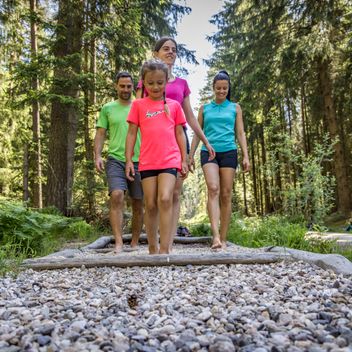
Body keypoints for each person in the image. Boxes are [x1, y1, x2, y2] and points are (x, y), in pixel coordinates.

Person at [136, 37, 216, 248]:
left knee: (173, 195)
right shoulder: (146, 81)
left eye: (174, 49)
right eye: (166, 49)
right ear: (156, 53)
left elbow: (189, 117)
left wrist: (205, 142)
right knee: (154, 200)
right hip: (151, 148)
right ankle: (155, 243)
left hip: (177, 144)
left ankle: (168, 244)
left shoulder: (182, 84)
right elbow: (136, 115)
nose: (171, 52)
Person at [125, 59, 188, 254]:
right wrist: (128, 160)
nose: (155, 86)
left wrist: (184, 159)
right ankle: (152, 247)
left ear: (166, 81)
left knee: (166, 198)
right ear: (143, 83)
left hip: (170, 159)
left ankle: (165, 249)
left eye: (160, 82)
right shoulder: (138, 105)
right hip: (147, 161)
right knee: (150, 204)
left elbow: (179, 134)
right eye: (150, 83)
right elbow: (132, 133)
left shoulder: (175, 106)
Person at [190, 70, 250, 249]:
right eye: (218, 88)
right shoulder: (204, 108)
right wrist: (189, 155)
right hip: (209, 153)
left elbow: (240, 133)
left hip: (229, 152)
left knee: (225, 194)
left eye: (224, 88)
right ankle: (215, 236)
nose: (221, 91)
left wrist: (245, 155)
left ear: (228, 88)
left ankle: (223, 239)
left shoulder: (235, 108)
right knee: (213, 188)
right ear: (213, 88)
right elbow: (196, 134)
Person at [94, 71, 143, 253]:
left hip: (139, 160)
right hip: (116, 159)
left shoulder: (140, 106)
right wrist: (97, 156)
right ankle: (119, 242)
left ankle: (135, 242)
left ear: (133, 87)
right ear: (116, 86)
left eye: (129, 86)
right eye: (122, 86)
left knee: (138, 202)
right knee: (117, 196)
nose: (125, 89)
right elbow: (100, 134)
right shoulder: (108, 108)